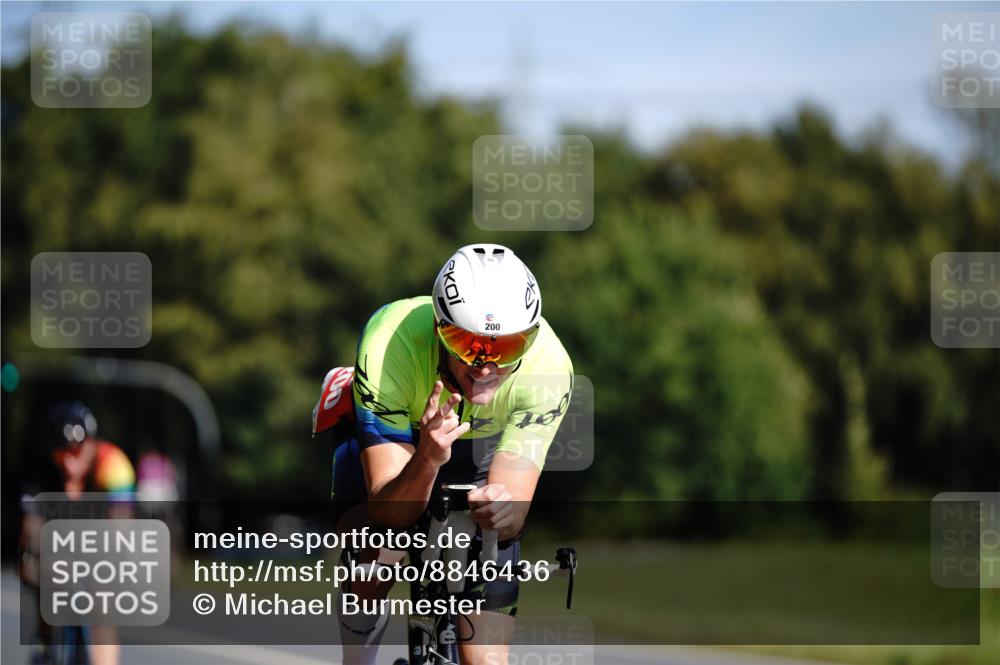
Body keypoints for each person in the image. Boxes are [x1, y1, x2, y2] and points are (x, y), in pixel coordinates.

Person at [313, 244, 574, 665]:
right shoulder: (389, 342)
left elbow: (513, 509)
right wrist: (428, 458)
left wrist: (503, 510)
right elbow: (387, 508)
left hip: (484, 438)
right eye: (467, 344)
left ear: (529, 340)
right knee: (374, 551)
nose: (484, 366)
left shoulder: (549, 368)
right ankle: (356, 659)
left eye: (504, 348)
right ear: (439, 329)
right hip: (403, 429)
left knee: (485, 658)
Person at [19, 401, 135, 665]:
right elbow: (31, 526)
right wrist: (29, 561)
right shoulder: (42, 469)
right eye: (62, 453)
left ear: (92, 444)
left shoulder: (113, 463)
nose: (69, 463)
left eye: (77, 452)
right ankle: (45, 641)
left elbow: (123, 525)